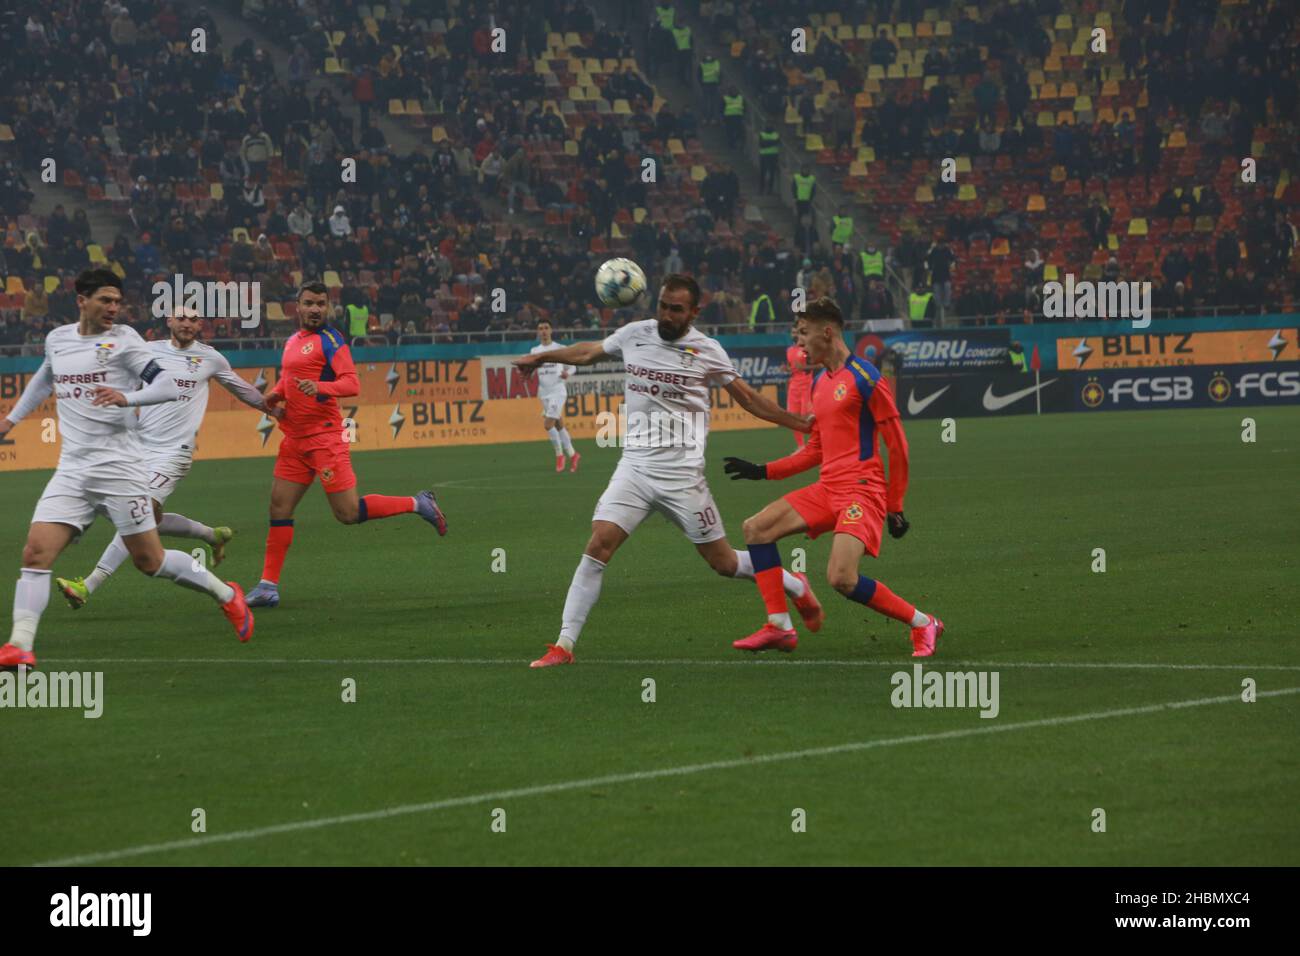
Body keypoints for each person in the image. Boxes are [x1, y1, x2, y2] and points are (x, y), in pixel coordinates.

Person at [511, 274, 819, 668]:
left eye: (676, 309)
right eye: (662, 305)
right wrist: (541, 357)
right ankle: (564, 645)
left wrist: (799, 423)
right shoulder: (635, 334)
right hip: (635, 469)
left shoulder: (707, 350)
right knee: (597, 546)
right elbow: (589, 352)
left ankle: (793, 582)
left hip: (683, 477)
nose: (667, 315)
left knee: (723, 564)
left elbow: (749, 400)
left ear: (694, 312)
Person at [0, 270, 253, 667]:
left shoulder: (124, 340)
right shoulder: (58, 340)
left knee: (149, 562)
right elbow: (44, 379)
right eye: (105, 300)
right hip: (72, 469)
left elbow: (167, 386)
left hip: (120, 468)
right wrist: (11, 420)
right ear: (81, 299)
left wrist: (127, 397)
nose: (113, 308)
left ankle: (228, 595)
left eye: (117, 301)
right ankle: (20, 645)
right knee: (35, 553)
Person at [722, 296, 944, 656]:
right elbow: (815, 451)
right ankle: (779, 625)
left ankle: (923, 623)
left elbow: (898, 446)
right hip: (828, 488)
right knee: (756, 529)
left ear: (827, 332)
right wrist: (762, 471)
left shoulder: (866, 377)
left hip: (862, 489)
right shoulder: (819, 384)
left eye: (804, 334)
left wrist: (895, 505)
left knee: (841, 578)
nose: (799, 343)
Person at [53, 307, 277, 608]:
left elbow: (244, 391)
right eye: (181, 318)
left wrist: (276, 410)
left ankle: (88, 585)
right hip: (138, 450)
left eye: (193, 319)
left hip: (175, 453)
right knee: (147, 519)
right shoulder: (148, 352)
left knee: (139, 512)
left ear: (200, 325)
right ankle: (213, 535)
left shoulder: (210, 358)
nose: (187, 324)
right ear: (169, 321)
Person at [243, 282, 449, 609]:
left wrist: (319, 387)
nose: (315, 309)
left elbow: (351, 383)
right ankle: (268, 585)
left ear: (328, 307)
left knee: (348, 513)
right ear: (297, 305)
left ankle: (418, 503)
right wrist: (276, 394)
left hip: (325, 438)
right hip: (294, 439)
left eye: (321, 304)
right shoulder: (293, 341)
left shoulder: (332, 340)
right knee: (279, 508)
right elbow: (290, 378)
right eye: (309, 303)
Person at [529, 319, 580, 473]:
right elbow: (532, 368)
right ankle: (573, 454)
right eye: (540, 328)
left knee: (548, 424)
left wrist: (567, 373)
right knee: (558, 425)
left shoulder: (560, 348)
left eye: (546, 328)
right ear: (538, 332)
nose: (543, 331)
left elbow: (573, 367)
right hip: (543, 392)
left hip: (558, 391)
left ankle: (559, 455)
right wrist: (529, 372)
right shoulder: (535, 351)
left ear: (551, 330)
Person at [785, 327, 815, 447]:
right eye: (792, 332)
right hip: (794, 387)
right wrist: (786, 369)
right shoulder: (789, 350)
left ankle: (815, 443)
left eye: (796, 332)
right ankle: (801, 446)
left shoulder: (806, 349)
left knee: (806, 417)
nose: (794, 334)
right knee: (793, 418)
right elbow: (791, 368)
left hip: (806, 386)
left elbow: (818, 365)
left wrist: (803, 368)